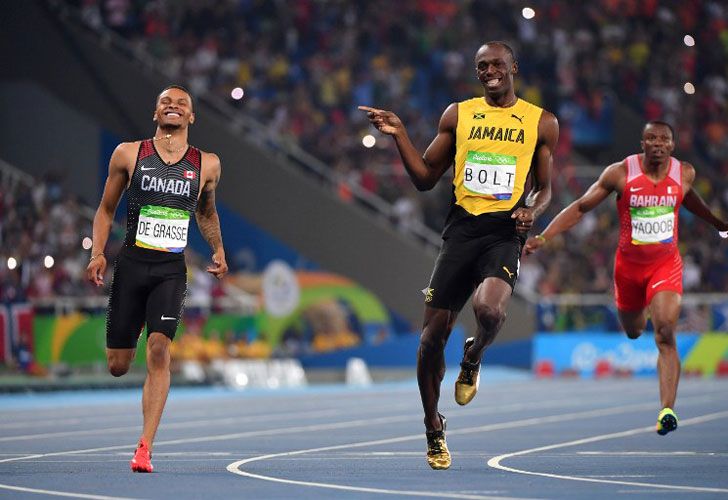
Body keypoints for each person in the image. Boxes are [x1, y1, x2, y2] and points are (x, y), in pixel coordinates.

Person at [360, 41, 559, 469]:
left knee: (489, 312)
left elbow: (545, 188)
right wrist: (400, 135)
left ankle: (473, 355)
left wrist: (533, 210)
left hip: (505, 232)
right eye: (481, 66)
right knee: (430, 341)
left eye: (497, 64)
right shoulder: (458, 114)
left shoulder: (541, 122)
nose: (489, 71)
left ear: (513, 68)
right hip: (461, 230)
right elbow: (425, 178)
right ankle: (434, 426)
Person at [524, 120, 728, 436]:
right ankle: (644, 307)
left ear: (672, 145)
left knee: (664, 331)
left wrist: (717, 223)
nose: (658, 143)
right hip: (628, 271)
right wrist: (545, 237)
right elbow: (580, 207)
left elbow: (689, 198)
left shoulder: (684, 173)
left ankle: (667, 411)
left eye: (664, 139)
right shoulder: (620, 173)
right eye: (651, 138)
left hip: (665, 266)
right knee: (634, 331)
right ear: (642, 143)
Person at [86, 85, 228, 472]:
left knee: (160, 350)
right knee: (118, 363)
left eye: (182, 103)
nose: (173, 106)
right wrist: (98, 252)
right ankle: (124, 357)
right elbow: (105, 209)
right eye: (166, 101)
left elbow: (206, 213)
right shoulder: (129, 154)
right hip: (132, 266)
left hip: (170, 270)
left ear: (192, 117)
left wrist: (217, 248)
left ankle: (144, 446)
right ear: (155, 113)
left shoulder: (207, 164)